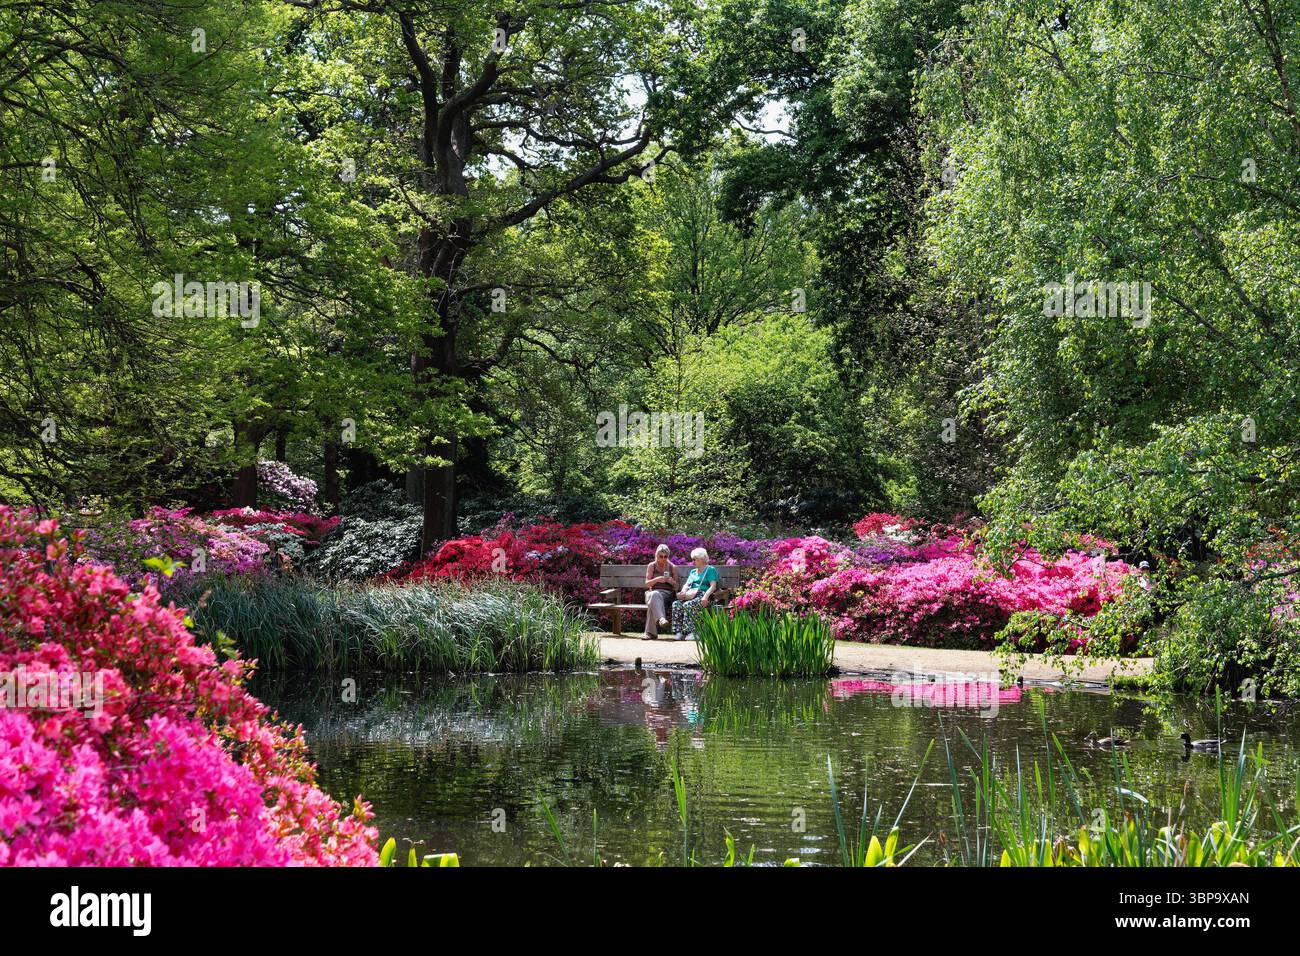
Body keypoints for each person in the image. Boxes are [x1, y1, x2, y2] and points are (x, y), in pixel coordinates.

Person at [672, 547, 719, 641]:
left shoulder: (710, 570)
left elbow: (713, 586)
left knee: (688, 605)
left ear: (702, 559)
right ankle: (679, 632)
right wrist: (683, 592)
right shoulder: (693, 572)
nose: (693, 561)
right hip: (691, 594)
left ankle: (692, 632)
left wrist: (705, 597)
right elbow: (686, 584)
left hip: (703, 595)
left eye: (695, 559)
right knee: (676, 604)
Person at [642, 544, 681, 640]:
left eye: (666, 556)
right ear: (656, 555)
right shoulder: (652, 566)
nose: (663, 558)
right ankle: (661, 619)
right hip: (652, 592)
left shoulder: (672, 567)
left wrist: (672, 582)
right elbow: (647, 584)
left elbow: (677, 587)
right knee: (654, 595)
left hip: (666, 595)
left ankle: (650, 633)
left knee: (653, 602)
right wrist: (658, 579)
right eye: (661, 556)